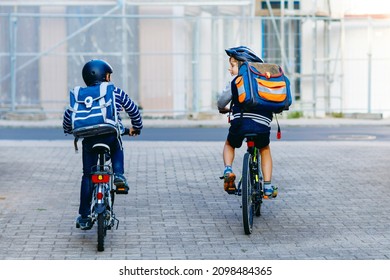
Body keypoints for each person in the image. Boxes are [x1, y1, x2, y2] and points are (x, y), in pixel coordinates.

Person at [63, 59, 143, 230]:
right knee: (117, 146)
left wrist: (68, 130)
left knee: (87, 176)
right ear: (106, 76)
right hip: (109, 135)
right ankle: (119, 175)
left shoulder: (79, 95)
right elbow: (133, 109)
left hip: (89, 140)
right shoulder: (114, 92)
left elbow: (68, 118)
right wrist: (137, 127)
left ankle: (84, 216)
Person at [217, 46, 278, 198]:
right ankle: (268, 187)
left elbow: (221, 101)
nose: (230, 69)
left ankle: (228, 170)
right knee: (264, 149)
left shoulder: (236, 81)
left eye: (232, 65)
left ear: (243, 65)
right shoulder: (264, 79)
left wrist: (223, 108)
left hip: (240, 122)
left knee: (230, 144)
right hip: (262, 123)